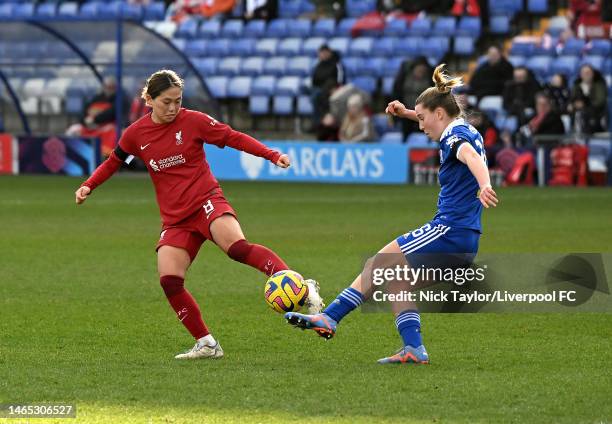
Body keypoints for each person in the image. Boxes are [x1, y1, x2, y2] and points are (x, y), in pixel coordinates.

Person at [74, 70, 323, 360]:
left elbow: (233, 137)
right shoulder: (135, 134)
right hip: (176, 218)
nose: (173, 108)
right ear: (149, 100)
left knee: (238, 248)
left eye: (177, 101)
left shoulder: (194, 121)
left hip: (206, 201)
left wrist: (270, 155)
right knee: (169, 280)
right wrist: (88, 185)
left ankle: (301, 288)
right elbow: (114, 161)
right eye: (166, 102)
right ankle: (206, 343)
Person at [284, 64, 498, 364]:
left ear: (439, 114)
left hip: (448, 231)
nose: (421, 126)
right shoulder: (465, 128)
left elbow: (469, 155)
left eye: (422, 118)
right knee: (397, 280)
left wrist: (485, 183)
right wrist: (407, 113)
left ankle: (330, 317)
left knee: (379, 262)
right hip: (466, 240)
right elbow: (459, 141)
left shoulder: (454, 137)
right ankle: (414, 349)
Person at [66, 76, 129, 157]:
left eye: (111, 87)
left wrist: (94, 120)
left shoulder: (120, 99)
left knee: (114, 132)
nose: (108, 89)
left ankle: (106, 155)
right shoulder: (97, 98)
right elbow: (84, 112)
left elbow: (111, 113)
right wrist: (85, 121)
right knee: (72, 130)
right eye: (107, 87)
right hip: (89, 126)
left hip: (107, 125)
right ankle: (71, 154)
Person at [391, 56, 433, 139]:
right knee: (405, 133)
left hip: (423, 111)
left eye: (423, 71)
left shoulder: (430, 79)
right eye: (419, 70)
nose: (420, 73)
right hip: (406, 108)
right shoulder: (404, 76)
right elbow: (396, 92)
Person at [311, 44, 345, 130]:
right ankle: (318, 122)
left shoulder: (336, 64)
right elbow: (314, 79)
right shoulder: (318, 65)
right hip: (318, 88)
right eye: (320, 53)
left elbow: (340, 79)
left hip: (331, 89)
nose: (322, 55)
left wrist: (337, 88)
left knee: (317, 97)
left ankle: (318, 123)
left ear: (328, 53)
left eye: (323, 53)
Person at [569, 64, 608, 133]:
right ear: (580, 74)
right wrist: (574, 105)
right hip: (577, 114)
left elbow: (600, 101)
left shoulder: (599, 85)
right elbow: (572, 99)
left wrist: (585, 105)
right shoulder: (576, 85)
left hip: (596, 114)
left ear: (593, 74)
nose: (586, 75)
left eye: (588, 72)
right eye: (584, 73)